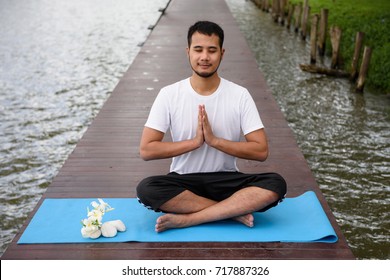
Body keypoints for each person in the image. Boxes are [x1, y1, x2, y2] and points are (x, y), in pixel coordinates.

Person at [136, 21, 286, 233]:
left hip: (228, 181)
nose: (204, 57)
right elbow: (147, 150)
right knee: (147, 189)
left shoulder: (239, 94)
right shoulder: (169, 94)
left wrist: (215, 142)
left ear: (222, 53)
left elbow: (261, 151)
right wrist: (195, 143)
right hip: (184, 183)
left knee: (275, 183)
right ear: (188, 52)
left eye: (211, 50)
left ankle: (190, 219)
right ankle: (232, 212)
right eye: (198, 50)